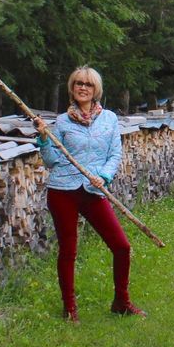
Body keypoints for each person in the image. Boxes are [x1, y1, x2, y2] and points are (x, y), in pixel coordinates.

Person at [34, 66, 145, 322]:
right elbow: (51, 161)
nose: (82, 87)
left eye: (88, 84)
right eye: (78, 84)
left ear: (96, 90)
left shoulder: (109, 119)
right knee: (68, 250)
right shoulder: (62, 122)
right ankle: (70, 309)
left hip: (94, 189)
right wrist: (43, 138)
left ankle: (121, 301)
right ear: (72, 88)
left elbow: (115, 154)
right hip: (63, 190)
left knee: (121, 246)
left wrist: (104, 176)